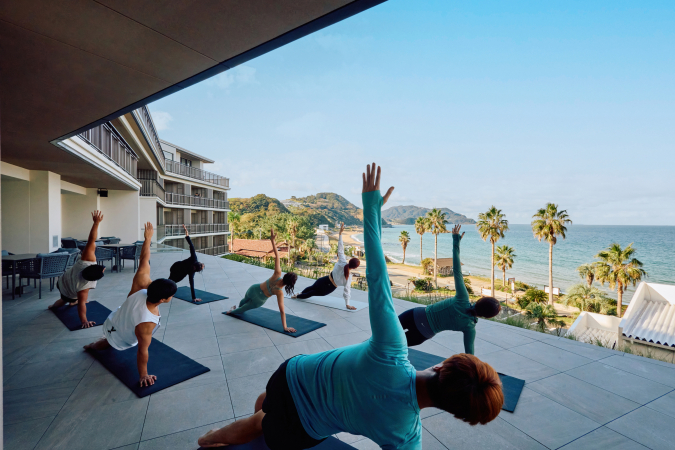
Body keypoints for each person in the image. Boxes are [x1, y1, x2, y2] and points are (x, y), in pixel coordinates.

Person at [198, 163, 503, 449]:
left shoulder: (391, 349)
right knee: (263, 421)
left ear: (441, 365)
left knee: (264, 410)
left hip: (292, 376)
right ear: (454, 411)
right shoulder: (406, 435)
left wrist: (371, 209)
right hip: (303, 427)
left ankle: (214, 437)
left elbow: (378, 278)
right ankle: (234, 431)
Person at [84, 223, 177, 388]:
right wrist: (144, 375)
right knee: (109, 342)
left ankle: (91, 345)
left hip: (113, 321)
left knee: (105, 340)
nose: (172, 297)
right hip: (123, 338)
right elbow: (142, 350)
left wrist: (147, 239)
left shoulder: (140, 286)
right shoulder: (147, 323)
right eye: (171, 296)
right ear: (163, 299)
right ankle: (92, 346)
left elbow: (144, 260)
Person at [398, 225, 501, 354]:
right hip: (422, 334)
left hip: (414, 316)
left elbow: (457, 269)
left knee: (381, 335)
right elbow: (470, 355)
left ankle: (364, 351)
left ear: (480, 300)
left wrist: (456, 241)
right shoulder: (470, 328)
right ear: (487, 316)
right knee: (388, 347)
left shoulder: (463, 298)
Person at [226, 228, 298, 333]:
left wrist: (272, 240)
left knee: (244, 301)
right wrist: (285, 327)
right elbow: (282, 311)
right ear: (290, 284)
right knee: (241, 309)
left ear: (286, 275)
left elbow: (277, 256)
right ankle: (231, 311)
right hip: (258, 301)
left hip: (253, 289)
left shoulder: (277, 273)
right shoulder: (279, 292)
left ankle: (233, 309)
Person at [48, 211, 107, 328]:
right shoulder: (83, 287)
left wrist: (96, 223)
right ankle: (52, 307)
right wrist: (84, 321)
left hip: (62, 280)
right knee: (63, 301)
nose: (104, 268)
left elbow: (91, 240)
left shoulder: (85, 261)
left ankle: (69, 302)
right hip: (68, 290)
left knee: (76, 299)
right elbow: (82, 305)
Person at [292, 222, 359, 310]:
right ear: (354, 268)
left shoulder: (342, 261)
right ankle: (297, 297)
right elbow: (347, 291)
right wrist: (347, 304)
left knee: (311, 288)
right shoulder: (348, 277)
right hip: (328, 288)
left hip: (324, 280)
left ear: (350, 260)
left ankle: (298, 294)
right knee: (312, 293)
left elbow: (340, 248)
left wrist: (340, 233)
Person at [168, 224, 204, 302]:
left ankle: (163, 289)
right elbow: (192, 285)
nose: (202, 265)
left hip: (175, 266)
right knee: (171, 282)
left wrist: (187, 234)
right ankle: (165, 290)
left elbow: (191, 245)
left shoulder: (194, 259)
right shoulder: (192, 272)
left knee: (170, 281)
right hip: (178, 274)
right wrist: (194, 298)